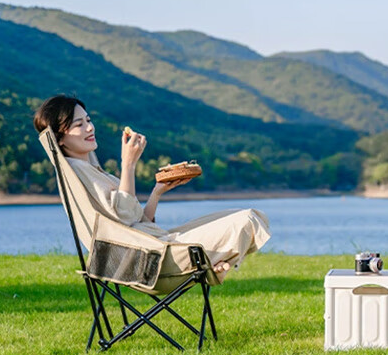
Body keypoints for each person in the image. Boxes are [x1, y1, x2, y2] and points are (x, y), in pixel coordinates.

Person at [33, 95, 270, 279]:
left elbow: (132, 225)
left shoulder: (91, 171)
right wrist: (128, 164)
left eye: (88, 120)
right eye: (79, 124)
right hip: (152, 260)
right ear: (59, 138)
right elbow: (126, 217)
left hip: (154, 248)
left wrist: (157, 192)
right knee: (248, 219)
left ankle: (217, 263)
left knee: (245, 217)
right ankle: (215, 265)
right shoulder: (79, 174)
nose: (90, 128)